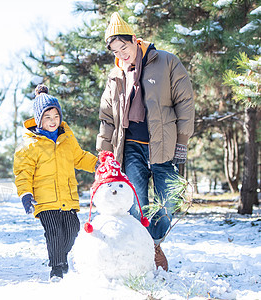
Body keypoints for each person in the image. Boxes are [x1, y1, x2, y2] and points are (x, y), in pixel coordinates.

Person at [96, 12, 195, 271]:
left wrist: (182, 141)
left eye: (124, 47)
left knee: (169, 202)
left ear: (135, 40)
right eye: (115, 50)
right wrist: (105, 152)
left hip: (163, 144)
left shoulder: (166, 61)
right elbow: (107, 117)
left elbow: (185, 101)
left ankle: (154, 241)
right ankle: (149, 250)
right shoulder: (116, 75)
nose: (121, 53)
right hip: (130, 147)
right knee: (136, 202)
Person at [13, 84, 98, 281]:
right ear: (38, 119)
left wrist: (98, 164)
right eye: (47, 117)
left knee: (72, 230)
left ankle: (62, 257)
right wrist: (25, 193)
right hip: (44, 200)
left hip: (67, 197)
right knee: (54, 233)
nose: (53, 121)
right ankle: (56, 268)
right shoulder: (29, 143)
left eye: (56, 116)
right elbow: (23, 172)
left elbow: (79, 157)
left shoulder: (66, 137)